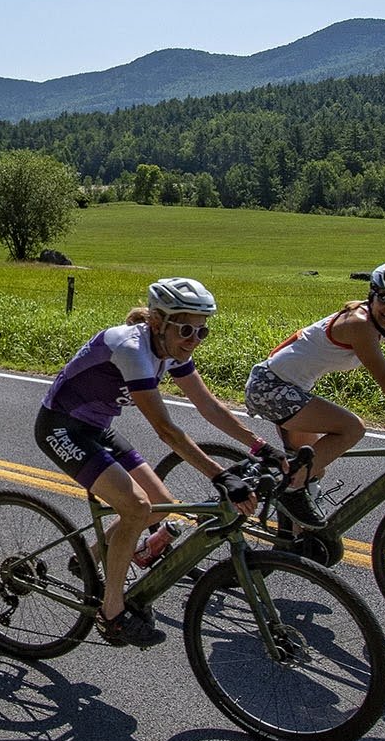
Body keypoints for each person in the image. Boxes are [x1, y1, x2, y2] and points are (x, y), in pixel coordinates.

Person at [35, 277, 260, 647]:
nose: (193, 340)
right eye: (187, 329)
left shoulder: (171, 349)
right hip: (61, 427)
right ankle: (112, 612)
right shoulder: (131, 348)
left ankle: (89, 560)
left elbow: (209, 406)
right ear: (158, 322)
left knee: (159, 507)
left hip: (96, 428)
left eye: (202, 332)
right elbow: (167, 431)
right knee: (137, 508)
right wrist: (221, 475)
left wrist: (259, 446)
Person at [243, 261, 385, 543]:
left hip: (291, 387)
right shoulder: (359, 324)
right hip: (270, 387)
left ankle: (290, 542)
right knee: (351, 429)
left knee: (310, 467)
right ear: (372, 294)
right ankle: (288, 492)